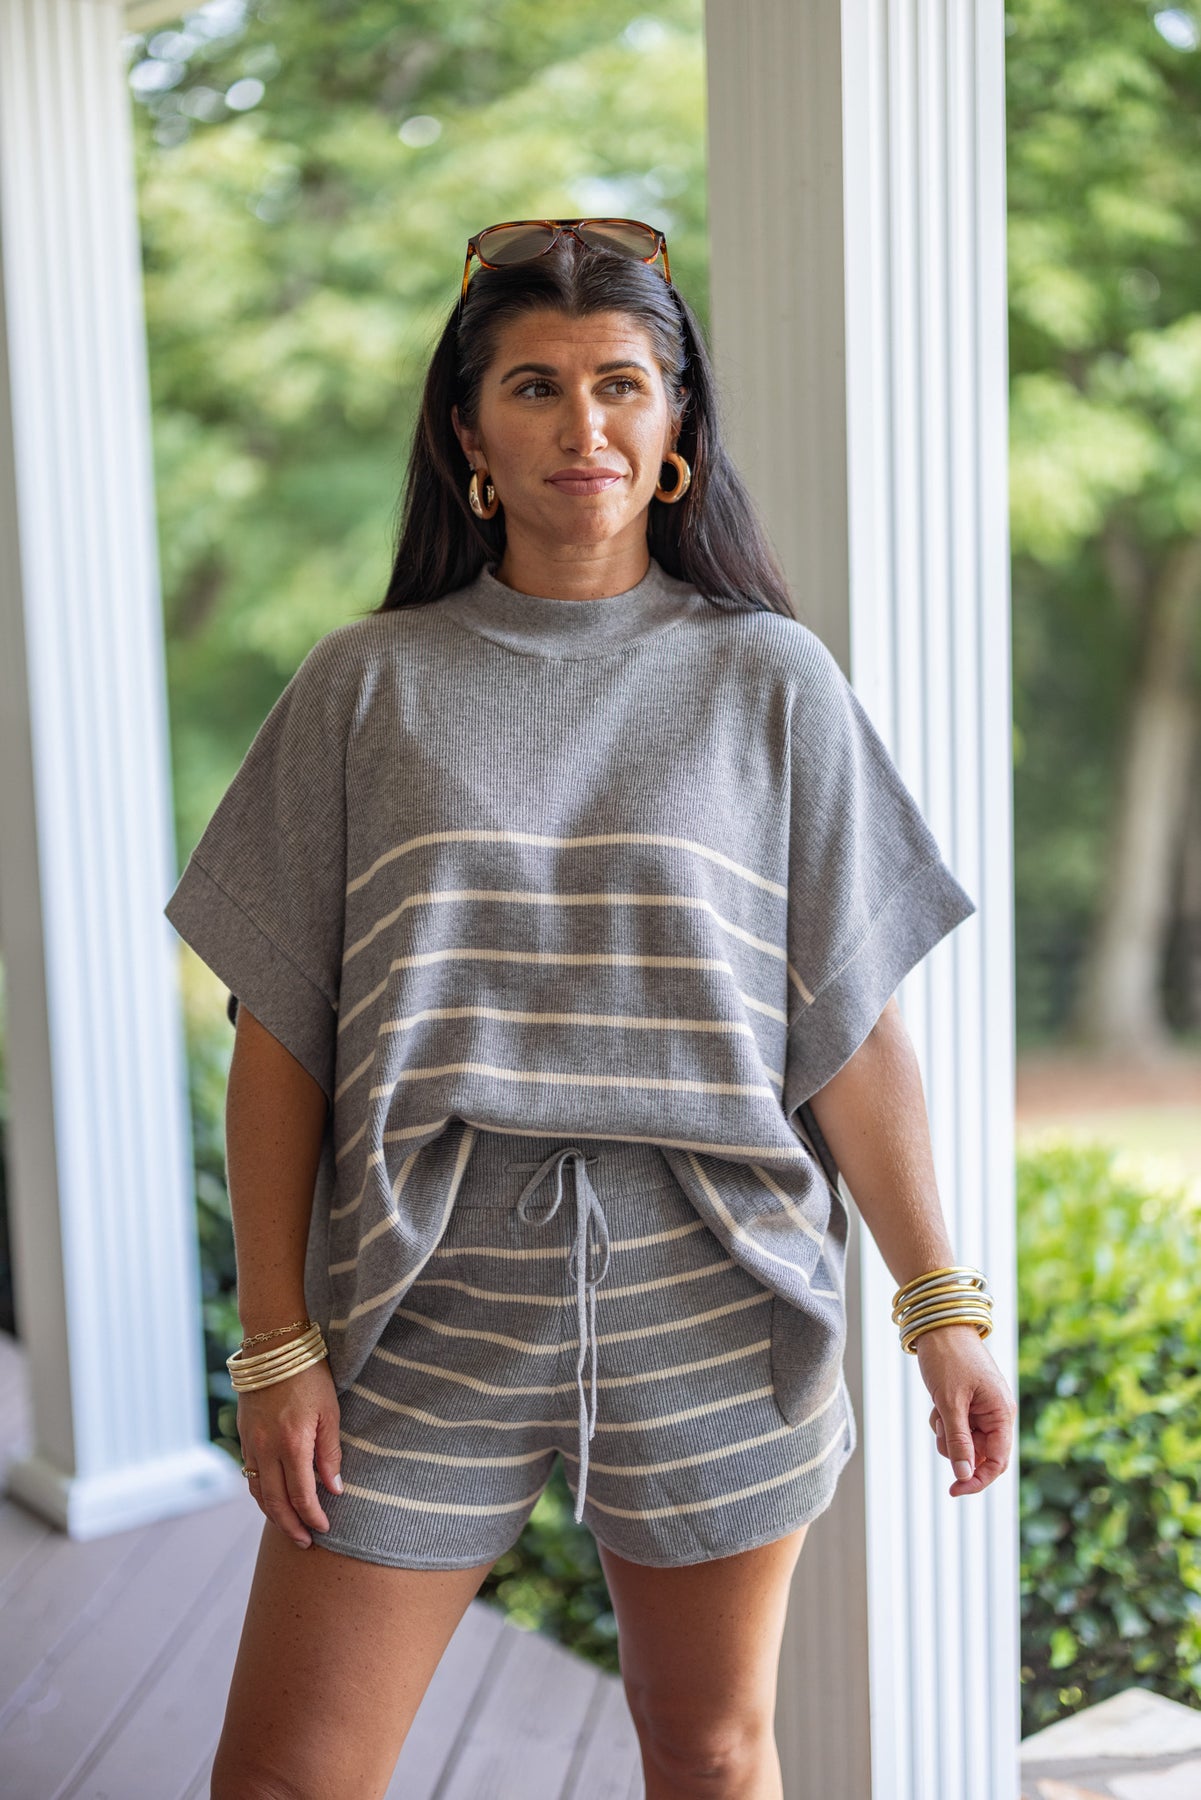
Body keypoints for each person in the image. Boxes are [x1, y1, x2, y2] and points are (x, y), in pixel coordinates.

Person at [164, 217, 1016, 1800]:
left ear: (676, 424)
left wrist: (940, 1313)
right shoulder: (363, 685)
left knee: (708, 1751)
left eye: (622, 383)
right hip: (418, 1288)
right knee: (284, 1776)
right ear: (467, 433)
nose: (585, 424)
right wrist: (274, 1346)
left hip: (714, 1284)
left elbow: (848, 1029)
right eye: (535, 386)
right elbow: (279, 1035)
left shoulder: (771, 680)